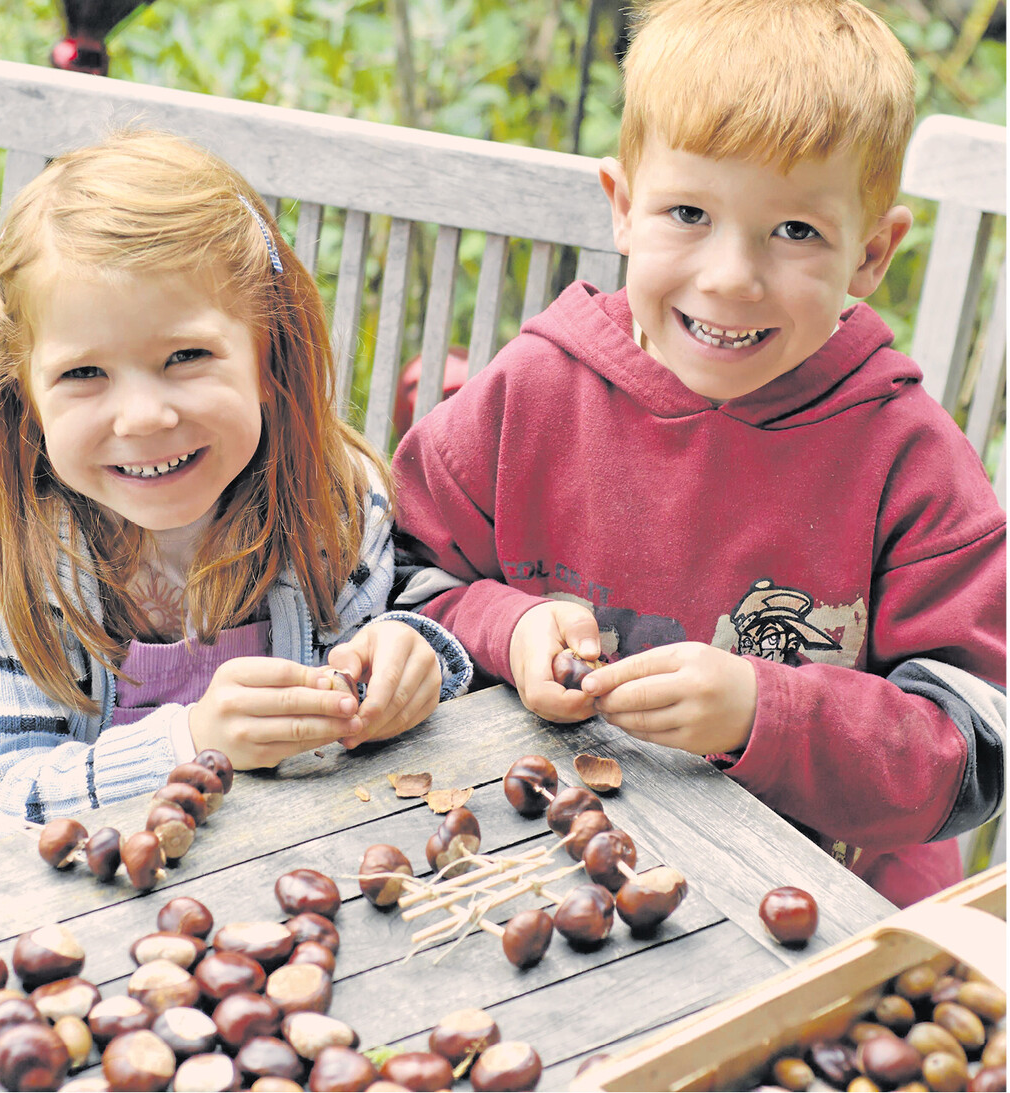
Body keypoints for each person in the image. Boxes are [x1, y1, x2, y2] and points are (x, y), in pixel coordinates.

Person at [391, 0, 1006, 907]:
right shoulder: (530, 396)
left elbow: (974, 754)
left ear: (872, 253)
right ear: (622, 207)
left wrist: (766, 710)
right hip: (547, 879)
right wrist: (508, 627)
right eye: (688, 212)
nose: (730, 277)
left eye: (796, 232)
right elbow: (401, 582)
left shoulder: (911, 463)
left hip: (824, 908)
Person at [0, 130, 471, 855]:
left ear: (269, 355)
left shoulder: (330, 504)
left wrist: (413, 654)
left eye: (186, 356)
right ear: (25, 395)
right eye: (83, 374)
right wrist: (187, 741)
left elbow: (406, 613)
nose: (143, 417)